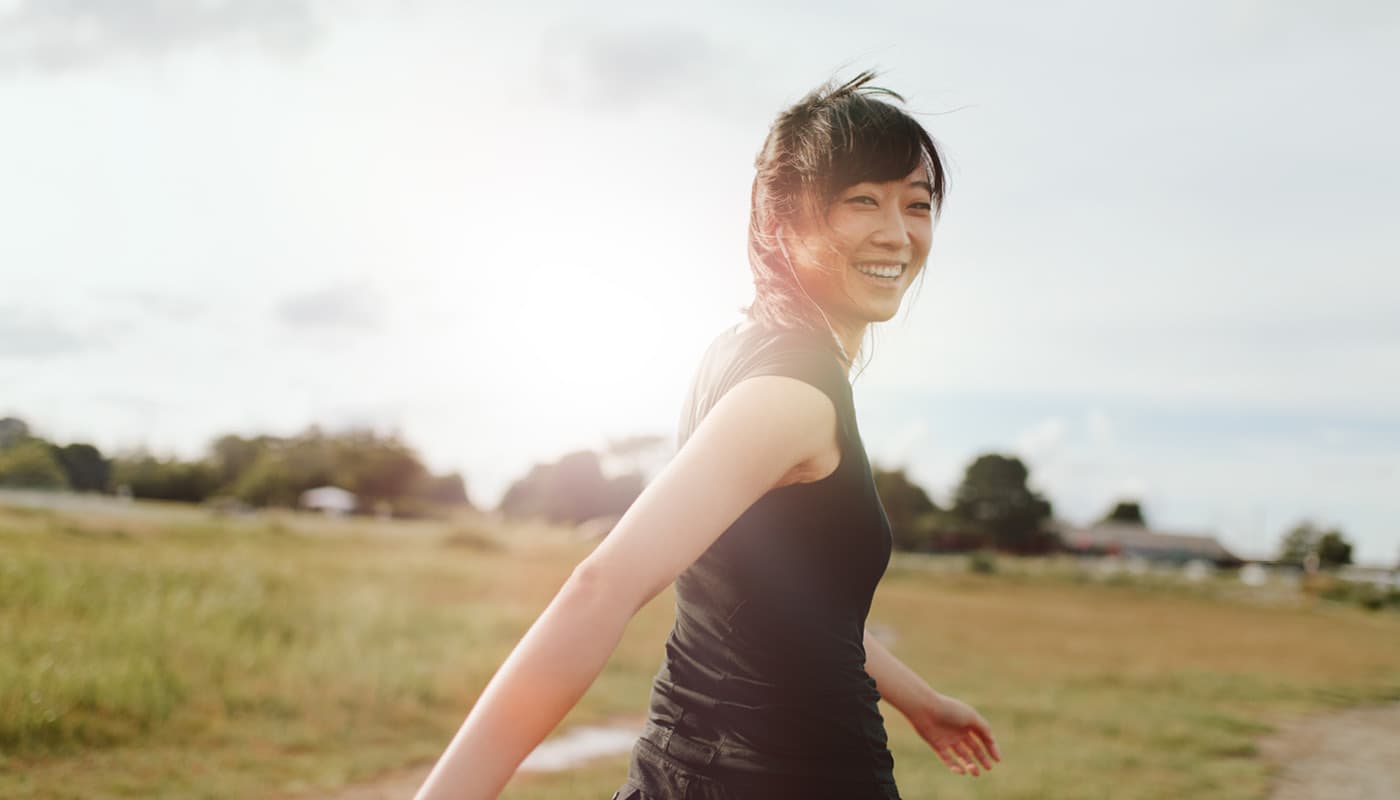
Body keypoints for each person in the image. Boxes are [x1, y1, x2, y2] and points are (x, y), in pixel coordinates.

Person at [413, 70, 1001, 800]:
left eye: (918, 205)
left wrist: (919, 698)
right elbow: (601, 586)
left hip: (685, 771)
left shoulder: (739, 353)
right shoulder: (790, 395)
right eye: (862, 201)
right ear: (787, 222)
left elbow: (787, 602)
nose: (897, 232)